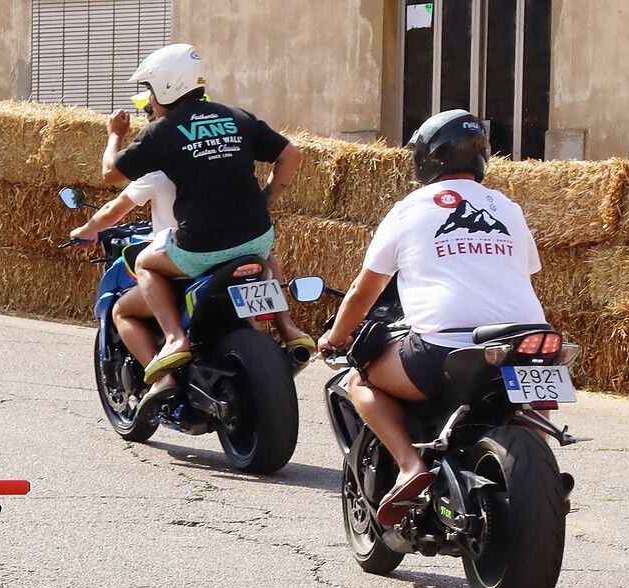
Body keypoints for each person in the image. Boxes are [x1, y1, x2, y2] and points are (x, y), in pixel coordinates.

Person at [316, 110, 547, 526]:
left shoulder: (410, 209)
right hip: (526, 335)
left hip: (443, 349)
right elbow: (524, 271)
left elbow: (362, 292)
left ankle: (409, 465)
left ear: (427, 159)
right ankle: (541, 472)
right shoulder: (508, 208)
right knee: (533, 382)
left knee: (359, 377)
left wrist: (335, 337)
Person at [100, 43, 305, 412]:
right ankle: (288, 328)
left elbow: (111, 173)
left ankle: (174, 340)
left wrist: (114, 133)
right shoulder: (236, 116)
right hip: (256, 236)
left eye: (149, 90)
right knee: (259, 247)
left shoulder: (161, 131)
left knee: (145, 265)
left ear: (165, 88)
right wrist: (268, 197)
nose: (148, 100)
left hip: (200, 245)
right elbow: (291, 155)